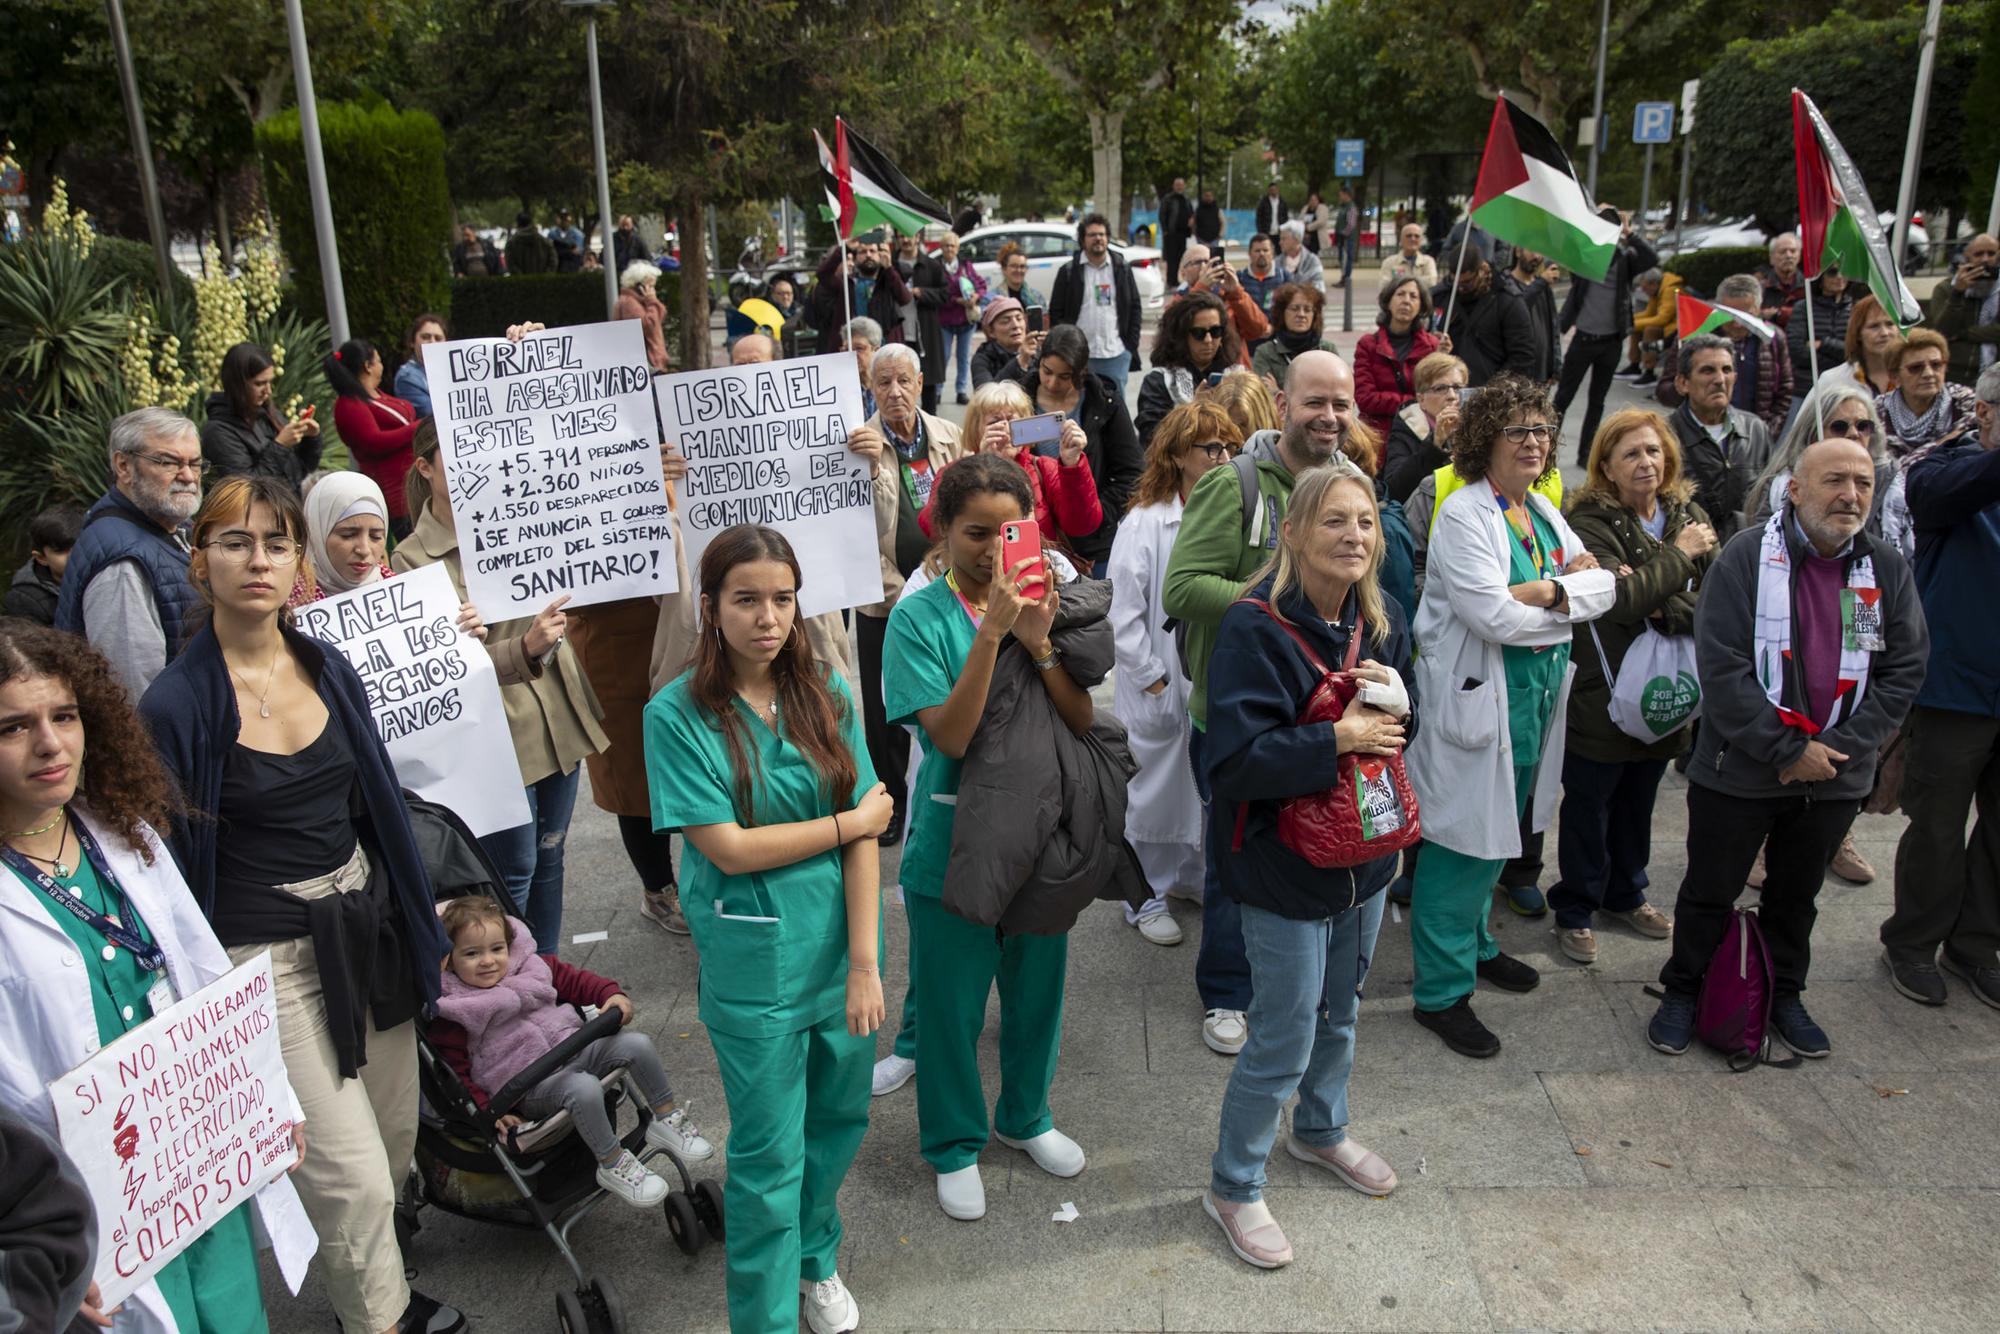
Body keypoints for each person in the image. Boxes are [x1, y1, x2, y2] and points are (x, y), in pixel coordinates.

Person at [140, 477, 463, 1334]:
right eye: (236, 542)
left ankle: (375, 1285)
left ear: (297, 562)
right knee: (348, 1172)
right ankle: (380, 1320)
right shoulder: (176, 705)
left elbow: (379, 805)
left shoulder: (328, 665)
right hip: (264, 959)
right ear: (200, 560)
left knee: (394, 1143)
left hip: (366, 931)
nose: (259, 560)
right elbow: (164, 865)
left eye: (276, 543)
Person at [0, 622, 316, 1334]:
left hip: (190, 1172)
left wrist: (268, 1102)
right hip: (84, 1207)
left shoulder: (118, 832)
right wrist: (23, 1258)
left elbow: (205, 971)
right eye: (13, 727)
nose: (50, 744)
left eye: (64, 716)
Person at [644, 524, 888, 1333]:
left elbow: (865, 840)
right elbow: (729, 848)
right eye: (746, 599)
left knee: (837, 1125)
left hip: (835, 957)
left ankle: (817, 1256)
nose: (768, 617)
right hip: (754, 968)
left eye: (782, 598)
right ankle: (763, 1317)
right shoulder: (675, 715)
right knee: (766, 1158)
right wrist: (846, 824)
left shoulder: (828, 691)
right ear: (709, 607)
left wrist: (864, 963)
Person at [1646, 437, 1927, 1059]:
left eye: (1862, 483)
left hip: (1834, 775)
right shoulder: (1746, 558)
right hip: (1741, 769)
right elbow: (1721, 669)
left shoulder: (1881, 568)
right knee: (1710, 891)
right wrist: (1783, 748)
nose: (1850, 495)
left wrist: (1838, 748)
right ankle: (1684, 990)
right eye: (1834, 481)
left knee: (1796, 897)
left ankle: (1785, 994)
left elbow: (1901, 671)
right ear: (1795, 489)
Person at [1200, 458, 1411, 1268]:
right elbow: (1232, 766)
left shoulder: (1380, 615)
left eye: (1363, 521)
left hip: (1365, 857)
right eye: (1333, 521)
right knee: (1282, 1035)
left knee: (1342, 1014)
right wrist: (1337, 739)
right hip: (1282, 869)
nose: (1353, 534)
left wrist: (1397, 708)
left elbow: (1397, 737)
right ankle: (1234, 1185)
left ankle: (1319, 1132)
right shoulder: (1255, 627)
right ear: (1292, 534)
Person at [883, 453, 1100, 1223]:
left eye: (1011, 530)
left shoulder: (1051, 600)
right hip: (953, 846)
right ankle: (951, 1144)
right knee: (951, 1008)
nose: (992, 549)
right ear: (939, 535)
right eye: (975, 532)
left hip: (1043, 840)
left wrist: (1039, 642)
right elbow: (950, 734)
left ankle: (1027, 1116)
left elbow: (1081, 719)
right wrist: (991, 637)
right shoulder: (918, 619)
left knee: (1038, 993)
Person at [1403, 374, 1614, 1058]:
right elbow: (1491, 616)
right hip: (1477, 705)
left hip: (1532, 703)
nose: (1533, 441)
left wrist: (1552, 590)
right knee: (1460, 846)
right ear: (1481, 442)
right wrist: (1568, 594)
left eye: (1540, 430)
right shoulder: (1464, 512)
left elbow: (1606, 586)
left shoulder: (1538, 509)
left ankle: (1479, 944)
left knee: (1500, 836)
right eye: (1516, 430)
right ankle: (1441, 993)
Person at [1163, 350, 1361, 1056]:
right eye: (1315, 402)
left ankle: (1303, 985)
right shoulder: (1234, 484)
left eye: (1341, 403)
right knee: (1234, 859)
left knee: (1312, 851)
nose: (1329, 416)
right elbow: (1181, 589)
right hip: (1236, 720)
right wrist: (1277, 600)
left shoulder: (1353, 484)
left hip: (1326, 725)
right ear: (1282, 404)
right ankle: (1226, 992)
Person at [395, 421, 609, 951]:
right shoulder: (409, 558)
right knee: (515, 866)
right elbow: (439, 669)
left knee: (552, 854)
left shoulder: (518, 511)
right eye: (453, 456)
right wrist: (525, 647)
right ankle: (512, 983)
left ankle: (550, 979)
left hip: (556, 713)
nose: (471, 465)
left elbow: (544, 433)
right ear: (425, 468)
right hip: (498, 733)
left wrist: (521, 350)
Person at [1551, 409, 1716, 965]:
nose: (1646, 462)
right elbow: (1617, 602)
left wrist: (1657, 593)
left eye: (1653, 451)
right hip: (1607, 686)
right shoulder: (1591, 521)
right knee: (1589, 804)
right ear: (1606, 466)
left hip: (1669, 686)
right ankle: (1575, 908)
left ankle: (1626, 894)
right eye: (1631, 454)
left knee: (1639, 800)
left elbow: (1714, 599)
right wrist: (1679, 559)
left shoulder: (1688, 513)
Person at [431, 896, 711, 1206]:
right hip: (529, 1084)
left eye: (497, 949)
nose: (488, 961)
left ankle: (666, 1119)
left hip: (572, 1047)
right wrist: (488, 1111)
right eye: (471, 953)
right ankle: (612, 1162)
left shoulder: (532, 968)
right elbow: (454, 1070)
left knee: (637, 1044)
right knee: (584, 1087)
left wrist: (611, 994)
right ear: (449, 959)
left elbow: (575, 980)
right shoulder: (457, 1010)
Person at [1880, 363, 2000, 1006]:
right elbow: (1933, 500)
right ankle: (1913, 942)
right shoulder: (1940, 470)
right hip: (1955, 690)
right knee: (1936, 826)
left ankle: (1978, 945)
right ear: (1984, 413)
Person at [1108, 402, 1240, 947]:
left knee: (1197, 792)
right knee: (1151, 793)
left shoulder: (1226, 513)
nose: (1223, 458)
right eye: (1211, 449)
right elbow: (1121, 611)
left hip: (1202, 683)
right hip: (1159, 685)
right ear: (1178, 455)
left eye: (1229, 447)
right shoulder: (1145, 522)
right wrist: (1154, 677)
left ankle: (1184, 880)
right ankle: (1143, 895)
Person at [852, 345, 963, 860]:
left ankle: (948, 791)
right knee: (886, 710)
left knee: (947, 695)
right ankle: (891, 803)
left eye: (903, 381)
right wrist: (908, 594)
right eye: (883, 383)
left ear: (920, 382)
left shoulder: (947, 435)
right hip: (885, 601)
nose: (894, 392)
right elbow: (853, 542)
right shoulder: (857, 444)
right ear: (870, 389)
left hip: (947, 588)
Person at [53, 408, 204, 701]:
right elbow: (135, 695)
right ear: (123, 465)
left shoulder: (172, 528)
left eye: (195, 464)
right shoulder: (122, 563)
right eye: (168, 462)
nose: (188, 476)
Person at [1008, 324, 1143, 571]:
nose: (1051, 382)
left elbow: (1132, 472)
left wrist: (1100, 511)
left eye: (1064, 376)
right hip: (1032, 537)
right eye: (1046, 371)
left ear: (1080, 373)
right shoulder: (1017, 396)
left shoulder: (1104, 402)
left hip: (1091, 545)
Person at [919, 378, 1103, 547]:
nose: (1005, 429)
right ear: (976, 430)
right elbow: (932, 529)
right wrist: (979, 468)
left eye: (1012, 421)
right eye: (995, 422)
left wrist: (1073, 465)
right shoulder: (954, 472)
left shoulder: (1044, 468)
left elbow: (1083, 525)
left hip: (1038, 573)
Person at [1555, 207, 1659, 464]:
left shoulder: (1625, 259)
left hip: (1610, 343)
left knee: (1597, 402)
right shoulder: (1585, 256)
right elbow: (1564, 241)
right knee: (1562, 399)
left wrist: (1629, 234)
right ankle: (1546, 452)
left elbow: (1651, 258)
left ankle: (1585, 455)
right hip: (1584, 340)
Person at [1664, 334, 1775, 546]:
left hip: (1746, 552)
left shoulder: (1755, 429)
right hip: (1692, 556)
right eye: (1707, 370)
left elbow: (1770, 498)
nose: (1719, 379)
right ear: (1682, 383)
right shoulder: (1664, 436)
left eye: (1726, 370)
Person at [327, 340, 420, 541]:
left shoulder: (374, 395)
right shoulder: (349, 405)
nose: (382, 365)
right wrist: (417, 428)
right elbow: (373, 441)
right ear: (367, 366)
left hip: (414, 485)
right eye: (378, 361)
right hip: (397, 496)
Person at [200, 342, 322, 489]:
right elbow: (247, 490)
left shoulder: (266, 414)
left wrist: (310, 438)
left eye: (270, 382)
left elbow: (301, 471)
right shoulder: (218, 431)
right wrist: (280, 446)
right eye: (259, 384)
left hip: (289, 506)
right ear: (237, 384)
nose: (268, 391)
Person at [1048, 213, 1142, 399]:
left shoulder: (1121, 268)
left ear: (1107, 238)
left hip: (1115, 354)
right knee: (1078, 408)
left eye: (1102, 234)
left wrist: (1129, 347)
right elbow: (1056, 313)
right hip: (1079, 356)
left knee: (1116, 411)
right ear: (1083, 240)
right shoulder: (1068, 271)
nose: (1098, 238)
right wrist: (1065, 348)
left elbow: (1135, 307)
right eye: (1092, 235)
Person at [1137, 291, 1244, 447]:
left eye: (1215, 332)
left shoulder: (1238, 374)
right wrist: (1193, 412)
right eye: (1199, 333)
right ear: (1181, 336)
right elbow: (1151, 439)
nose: (1208, 340)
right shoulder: (1159, 381)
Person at [1351, 276, 1440, 437]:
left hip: (1417, 434)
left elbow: (1434, 397)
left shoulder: (1432, 346)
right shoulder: (1368, 345)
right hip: (1375, 434)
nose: (1406, 301)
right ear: (1388, 301)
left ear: (1421, 306)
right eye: (1400, 294)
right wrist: (1412, 401)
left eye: (1413, 296)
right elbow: (1365, 399)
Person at [1382, 352, 1467, 506]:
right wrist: (1434, 445)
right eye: (1441, 388)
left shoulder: (1474, 425)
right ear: (1421, 399)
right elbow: (1394, 489)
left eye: (1457, 387)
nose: (1452, 396)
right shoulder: (1407, 427)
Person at [1878, 329, 1978, 458]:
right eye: (1916, 368)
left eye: (1936, 365)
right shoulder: (1876, 413)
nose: (1928, 374)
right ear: (1894, 376)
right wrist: (1946, 441)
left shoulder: (1969, 404)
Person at [1436, 259, 1536, 387]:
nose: (1461, 287)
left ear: (1480, 273)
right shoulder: (1443, 297)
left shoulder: (1507, 300)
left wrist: (1495, 388)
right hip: (1451, 388)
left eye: (1467, 282)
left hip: (1491, 390)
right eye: (1457, 282)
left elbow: (1522, 355)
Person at [811, 237, 912, 355]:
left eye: (872, 251)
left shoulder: (888, 280)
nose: (868, 255)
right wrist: (845, 248)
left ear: (880, 255)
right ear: (855, 258)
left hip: (884, 352)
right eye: (863, 252)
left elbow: (905, 298)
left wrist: (889, 267)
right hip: (851, 352)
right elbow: (823, 274)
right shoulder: (846, 283)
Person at [1926, 233, 2000, 386]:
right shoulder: (1945, 289)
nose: (1985, 259)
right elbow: (1942, 332)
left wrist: (1964, 334)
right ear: (1967, 257)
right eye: (1979, 254)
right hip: (1956, 375)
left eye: (1991, 253)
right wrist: (1958, 293)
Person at [1170, 245, 1271, 353]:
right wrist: (1201, 288)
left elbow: (1259, 329)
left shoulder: (1229, 296)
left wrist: (1236, 292)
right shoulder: (1179, 299)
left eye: (1210, 261)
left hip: (1232, 365)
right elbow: (1173, 332)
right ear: (1183, 272)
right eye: (1198, 262)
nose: (1205, 267)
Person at [893, 232, 951, 415]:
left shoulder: (932, 265)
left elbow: (945, 294)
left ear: (917, 237)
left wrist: (922, 293)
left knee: (928, 385)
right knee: (899, 385)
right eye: (901, 236)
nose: (906, 239)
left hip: (925, 334)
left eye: (909, 235)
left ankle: (930, 430)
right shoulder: (890, 266)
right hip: (899, 333)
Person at [4, 504, 83, 626]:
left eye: (78, 547)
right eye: (61, 551)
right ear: (41, 558)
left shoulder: (101, 573)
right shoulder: (25, 600)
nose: (73, 557)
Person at [1252, 282, 1340, 390]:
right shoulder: (1265, 353)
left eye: (1307, 310)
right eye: (1294, 309)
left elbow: (1336, 391)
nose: (1301, 314)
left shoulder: (1327, 351)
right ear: (1282, 313)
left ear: (1315, 315)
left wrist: (1278, 393)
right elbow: (1263, 398)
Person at [1814, 293, 1903, 399]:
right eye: (1874, 326)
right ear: (1858, 334)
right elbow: (1810, 415)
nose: (1884, 333)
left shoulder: (1915, 375)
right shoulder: (1832, 380)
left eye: (1890, 324)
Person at [935, 231, 986, 405]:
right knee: (944, 356)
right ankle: (938, 390)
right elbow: (936, 294)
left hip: (966, 320)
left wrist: (975, 297)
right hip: (945, 319)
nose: (949, 249)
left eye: (952, 245)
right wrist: (956, 300)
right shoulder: (937, 267)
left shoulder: (966, 266)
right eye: (946, 245)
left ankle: (961, 390)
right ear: (941, 248)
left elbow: (981, 285)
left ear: (957, 248)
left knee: (964, 358)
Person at [1500, 247, 1562, 387]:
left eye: (1539, 251)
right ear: (1517, 251)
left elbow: (1553, 326)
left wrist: (1555, 366)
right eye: (1531, 250)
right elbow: (1518, 308)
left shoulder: (1543, 285)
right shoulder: (1506, 283)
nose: (1536, 256)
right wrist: (1540, 282)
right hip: (1518, 374)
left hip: (1542, 373)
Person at [1788, 266, 1852, 393]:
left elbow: (1856, 352)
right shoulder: (1803, 307)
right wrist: (1838, 359)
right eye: (1832, 273)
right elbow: (1796, 351)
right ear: (1820, 277)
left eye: (1844, 271)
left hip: (1845, 386)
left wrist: (1823, 344)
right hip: (1807, 387)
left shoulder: (1855, 309)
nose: (1839, 277)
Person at [1623, 267, 1683, 385]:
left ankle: (1649, 371)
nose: (1644, 291)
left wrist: (1634, 323)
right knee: (1636, 329)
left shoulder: (1670, 290)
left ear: (1654, 284)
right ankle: (1634, 365)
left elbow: (1662, 319)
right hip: (1668, 326)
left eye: (1645, 288)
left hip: (1674, 329)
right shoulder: (1658, 291)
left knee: (1650, 330)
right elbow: (1649, 313)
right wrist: (1629, 320)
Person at [615, 260, 672, 372]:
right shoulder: (630, 303)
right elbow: (649, 325)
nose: (653, 290)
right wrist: (651, 301)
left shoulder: (638, 301)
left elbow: (660, 315)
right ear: (639, 286)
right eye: (650, 286)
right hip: (646, 362)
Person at [971, 296, 1037, 390]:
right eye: (1005, 321)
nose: (1016, 325)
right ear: (991, 332)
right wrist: (1020, 361)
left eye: (1019, 319)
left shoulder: (1037, 352)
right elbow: (986, 396)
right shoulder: (982, 358)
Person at [393, 313, 449, 420]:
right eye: (425, 337)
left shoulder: (454, 371)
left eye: (438, 338)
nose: (432, 342)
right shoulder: (407, 378)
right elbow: (434, 415)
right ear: (412, 342)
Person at [1758, 233, 1806, 328]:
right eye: (1782, 252)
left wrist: (1778, 314)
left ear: (1799, 256)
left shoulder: (1810, 286)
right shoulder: (1760, 288)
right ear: (1771, 258)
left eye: (1793, 251)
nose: (1788, 256)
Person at [1238, 234, 1283, 325]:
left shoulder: (1284, 277)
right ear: (1249, 254)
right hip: (1248, 334)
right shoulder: (1239, 278)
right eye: (1257, 251)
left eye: (1265, 250)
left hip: (1276, 333)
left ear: (1272, 253)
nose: (1262, 254)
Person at [990, 242, 1048, 310]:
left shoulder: (1036, 297)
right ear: (1004, 269)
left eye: (1022, 266)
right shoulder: (993, 299)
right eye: (1014, 266)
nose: (1018, 270)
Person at [845, 316, 883, 418]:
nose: (851, 354)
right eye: (845, 349)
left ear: (876, 350)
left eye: (859, 348)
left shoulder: (889, 385)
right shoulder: (840, 390)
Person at [1379, 223, 1438, 288]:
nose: (1413, 239)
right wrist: (1418, 280)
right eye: (1409, 236)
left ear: (1421, 240)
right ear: (1401, 239)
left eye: (1417, 236)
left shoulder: (1428, 261)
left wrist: (1400, 282)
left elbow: (1431, 282)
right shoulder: (1389, 262)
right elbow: (1384, 285)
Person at [1274, 220, 1324, 292]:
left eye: (1284, 239)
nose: (1280, 242)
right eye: (1280, 239)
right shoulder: (1277, 262)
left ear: (1297, 239)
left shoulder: (1312, 261)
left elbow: (1319, 289)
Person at [1160, 177, 1194, 281]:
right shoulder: (1168, 199)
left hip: (1183, 234)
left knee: (1180, 258)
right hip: (1171, 234)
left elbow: (1191, 214)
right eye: (1177, 185)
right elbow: (1162, 214)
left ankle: (1176, 279)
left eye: (1181, 185)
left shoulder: (1186, 200)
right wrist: (1165, 230)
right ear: (1174, 186)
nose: (1179, 187)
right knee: (1171, 258)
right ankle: (1171, 280)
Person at [503, 211, 555, 276]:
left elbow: (510, 264)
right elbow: (553, 261)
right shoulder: (544, 241)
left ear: (518, 224)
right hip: (542, 283)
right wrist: (545, 277)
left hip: (520, 284)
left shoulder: (511, 243)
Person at [1330, 185, 1359, 288]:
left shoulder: (1351, 207)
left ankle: (1346, 279)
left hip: (1347, 239)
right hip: (1341, 238)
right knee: (1342, 258)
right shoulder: (1342, 206)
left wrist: (1344, 234)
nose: (1340, 197)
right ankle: (1343, 277)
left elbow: (1351, 224)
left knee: (1347, 259)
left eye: (1341, 195)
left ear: (1347, 195)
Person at [1298, 191, 1329, 256]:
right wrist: (1303, 228)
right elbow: (1300, 219)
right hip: (1306, 238)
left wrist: (1308, 227)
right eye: (1311, 200)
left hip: (1317, 237)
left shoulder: (1323, 208)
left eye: (1315, 200)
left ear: (1318, 200)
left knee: (1315, 256)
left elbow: (1321, 222)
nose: (1313, 201)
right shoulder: (1305, 208)